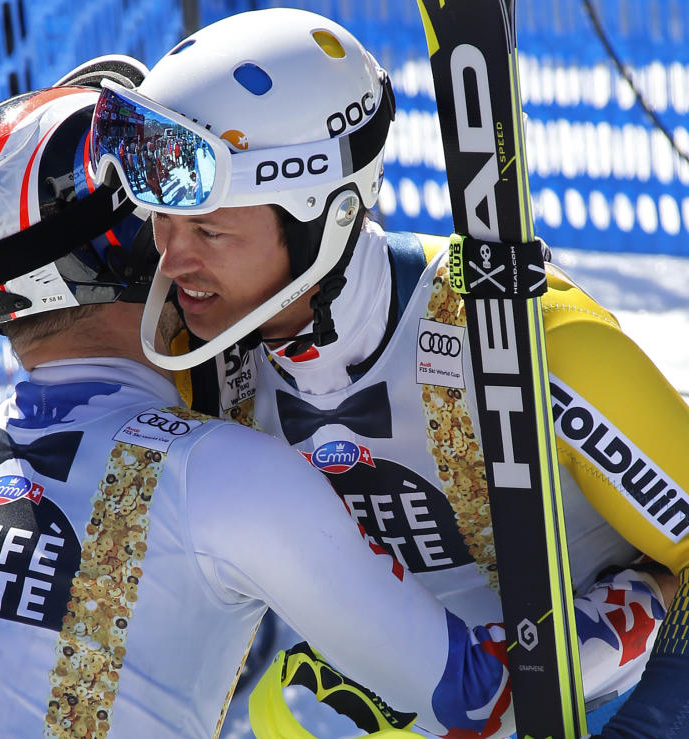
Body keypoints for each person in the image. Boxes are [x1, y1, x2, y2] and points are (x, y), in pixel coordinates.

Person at [0, 74, 593, 739]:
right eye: (172, 214)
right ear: (146, 256)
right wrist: (644, 599)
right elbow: (480, 696)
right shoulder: (225, 470)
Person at [88, 8, 689, 737]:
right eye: (161, 221)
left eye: (208, 230)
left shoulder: (540, 343)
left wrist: (614, 641)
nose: (173, 260)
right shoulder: (203, 367)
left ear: (322, 216)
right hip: (427, 701)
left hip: (622, 695)